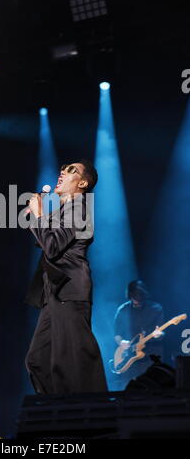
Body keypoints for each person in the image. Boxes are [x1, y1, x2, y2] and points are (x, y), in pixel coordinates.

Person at [24, 159, 107, 395]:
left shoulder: (80, 207)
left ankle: (89, 417)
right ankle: (55, 413)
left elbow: (51, 247)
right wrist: (38, 218)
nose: (62, 172)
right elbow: (49, 240)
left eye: (71, 170)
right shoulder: (65, 209)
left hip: (71, 291)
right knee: (38, 360)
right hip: (55, 293)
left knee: (73, 360)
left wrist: (40, 215)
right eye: (62, 169)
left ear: (82, 182)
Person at [113, 280, 164, 389]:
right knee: (129, 388)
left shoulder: (156, 309)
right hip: (130, 358)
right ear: (130, 295)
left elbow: (162, 332)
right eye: (135, 297)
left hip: (150, 356)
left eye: (141, 296)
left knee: (151, 387)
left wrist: (159, 334)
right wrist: (121, 342)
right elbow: (117, 334)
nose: (138, 300)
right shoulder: (122, 310)